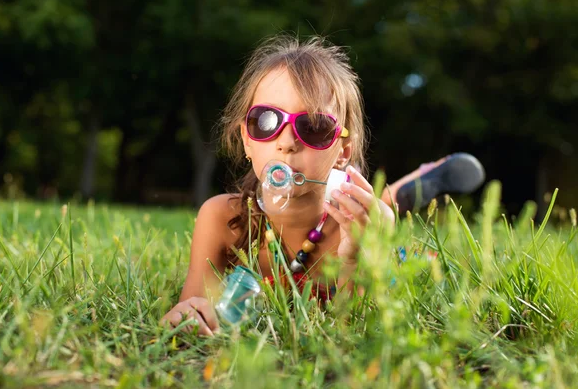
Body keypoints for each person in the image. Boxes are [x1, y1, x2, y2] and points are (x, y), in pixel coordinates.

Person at [160, 35, 484, 336]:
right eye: (266, 121)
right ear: (247, 139)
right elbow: (192, 308)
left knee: (384, 217)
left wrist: (353, 257)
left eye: (314, 126)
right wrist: (190, 316)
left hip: (372, 231)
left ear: (342, 151)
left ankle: (399, 196)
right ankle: (395, 193)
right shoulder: (221, 218)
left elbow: (355, 327)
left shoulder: (360, 232)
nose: (286, 142)